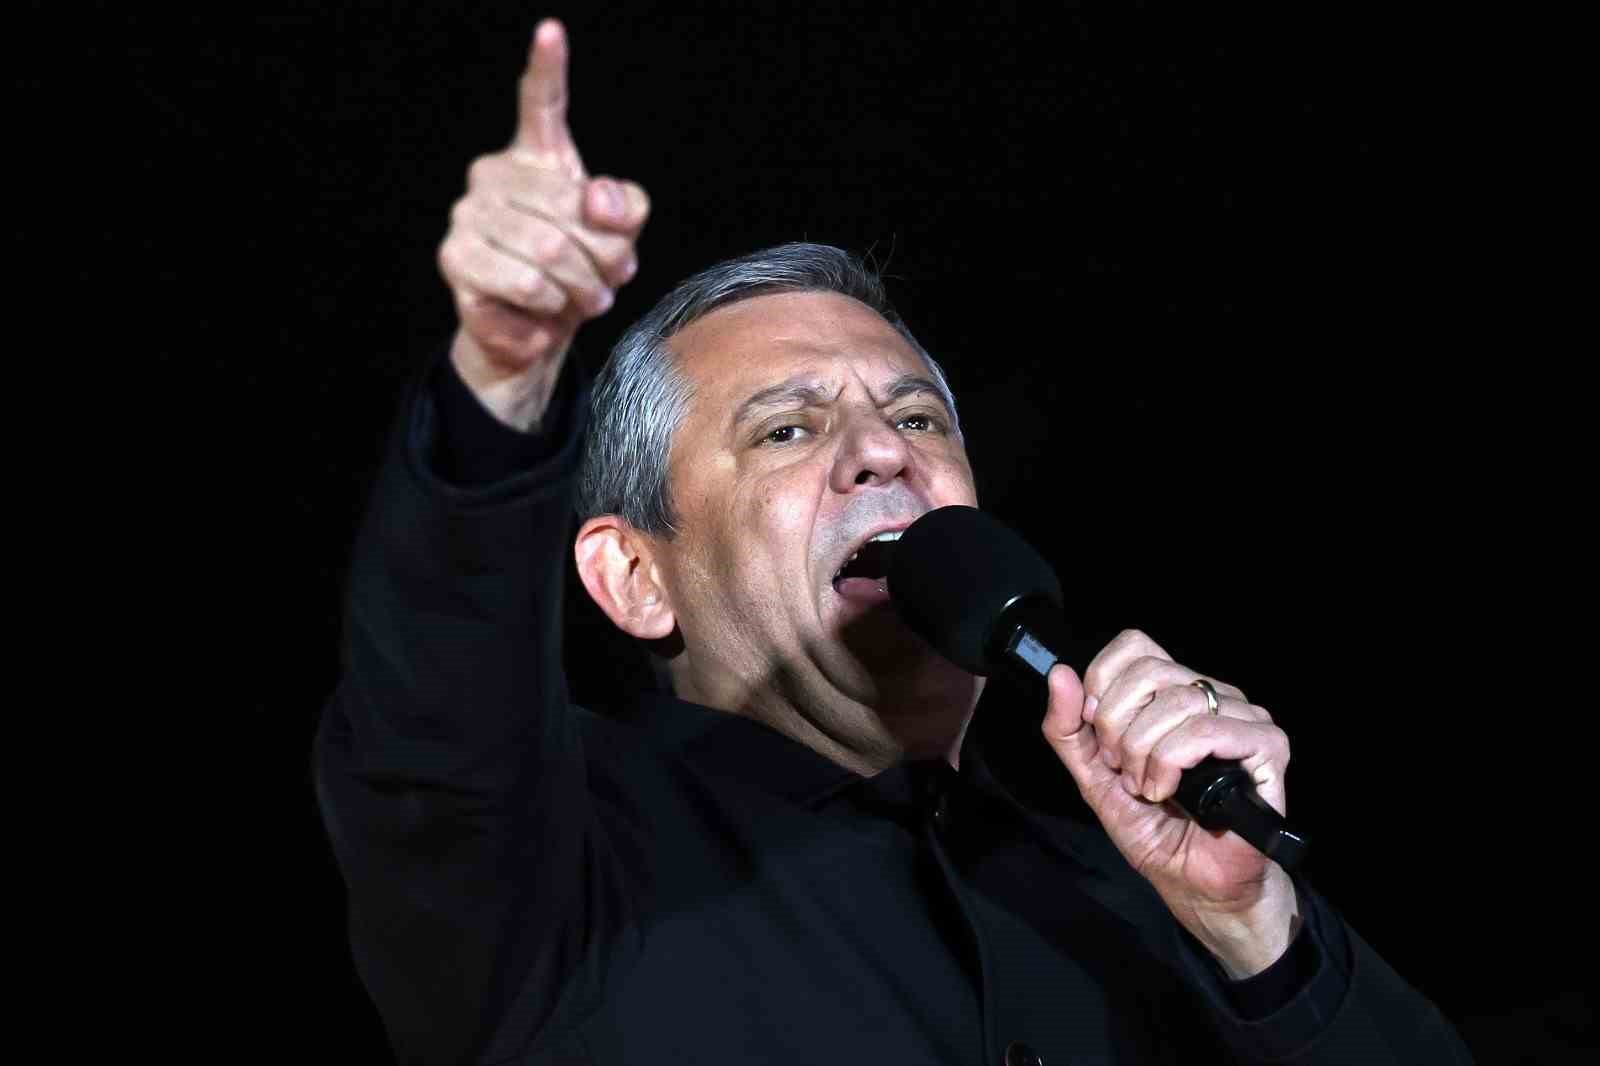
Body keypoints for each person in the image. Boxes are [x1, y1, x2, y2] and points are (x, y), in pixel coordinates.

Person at [314, 19, 1473, 1066]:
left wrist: (1257, 932)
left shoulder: (1145, 892)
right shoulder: (552, 866)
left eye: (917, 418)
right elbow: (436, 709)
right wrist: (502, 381)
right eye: (786, 428)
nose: (881, 452)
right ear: (633, 575)